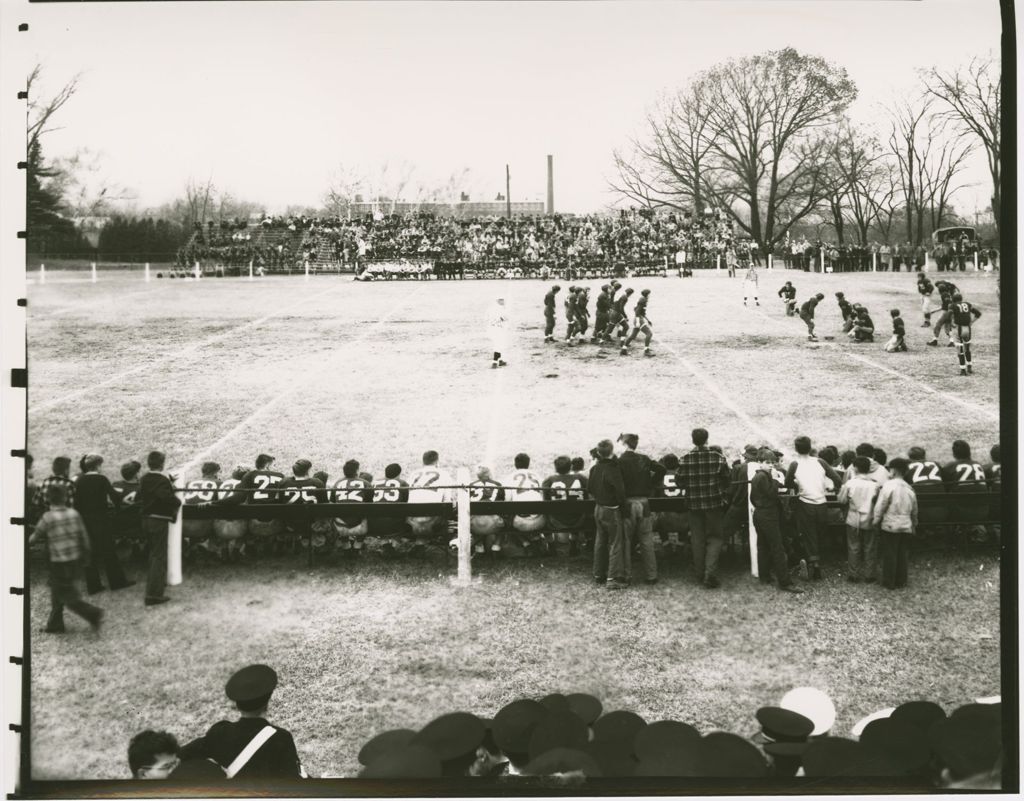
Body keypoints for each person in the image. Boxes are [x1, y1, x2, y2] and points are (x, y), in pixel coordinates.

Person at [179, 664, 305, 779]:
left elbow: (177, 755)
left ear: (237, 705)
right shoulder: (280, 738)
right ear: (267, 702)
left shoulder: (219, 732)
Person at [29, 483, 104, 633]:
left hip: (58, 562)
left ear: (48, 499)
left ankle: (93, 613)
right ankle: (55, 624)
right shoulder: (74, 514)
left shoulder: (48, 517)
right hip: (74, 559)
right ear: (65, 498)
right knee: (58, 591)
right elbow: (84, 536)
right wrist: (87, 555)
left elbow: (34, 538)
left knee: (66, 594)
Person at [676, 428, 731, 589]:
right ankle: (710, 572)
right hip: (714, 504)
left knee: (697, 539)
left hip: (693, 505)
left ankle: (700, 573)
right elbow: (727, 480)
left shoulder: (685, 459)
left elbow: (679, 482)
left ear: (693, 440)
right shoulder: (718, 458)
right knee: (715, 538)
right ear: (707, 439)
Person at [785, 436, 843, 580]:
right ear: (810, 447)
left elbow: (787, 483)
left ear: (796, 448)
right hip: (821, 503)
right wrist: (830, 487)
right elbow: (837, 479)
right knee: (819, 533)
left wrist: (797, 486)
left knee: (808, 534)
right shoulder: (820, 462)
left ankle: (813, 563)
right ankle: (816, 562)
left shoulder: (794, 464)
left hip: (805, 503)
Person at [74, 454, 134, 595]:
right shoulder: (102, 479)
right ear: (98, 466)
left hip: (85, 521)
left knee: (90, 554)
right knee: (109, 552)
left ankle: (93, 586)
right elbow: (114, 497)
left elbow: (77, 502)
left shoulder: (80, 480)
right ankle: (117, 582)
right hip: (101, 520)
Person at [750, 448, 802, 593]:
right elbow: (772, 494)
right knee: (777, 547)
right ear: (759, 463)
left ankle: (764, 576)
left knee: (763, 545)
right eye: (767, 462)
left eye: (772, 462)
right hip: (767, 514)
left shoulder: (759, 476)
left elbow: (755, 498)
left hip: (760, 513)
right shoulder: (763, 476)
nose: (771, 465)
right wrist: (774, 479)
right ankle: (785, 582)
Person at [616, 433, 665, 585]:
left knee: (626, 540)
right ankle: (651, 575)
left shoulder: (619, 461)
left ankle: (627, 575)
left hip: (628, 503)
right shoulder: (643, 459)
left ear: (624, 444)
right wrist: (649, 484)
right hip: (643, 503)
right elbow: (661, 469)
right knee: (646, 540)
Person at [138, 450, 181, 607]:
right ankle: (153, 594)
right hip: (158, 521)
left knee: (154, 554)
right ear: (162, 464)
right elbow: (165, 496)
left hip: (146, 520)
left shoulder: (143, 479)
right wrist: (176, 502)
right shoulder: (161, 480)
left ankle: (156, 584)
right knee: (158, 556)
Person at [872, 459, 918, 590]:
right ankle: (901, 580)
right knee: (902, 553)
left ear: (894, 470)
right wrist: (914, 524)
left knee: (890, 553)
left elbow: (881, 505)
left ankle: (889, 581)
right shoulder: (909, 489)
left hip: (891, 524)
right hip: (906, 524)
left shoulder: (888, 486)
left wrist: (876, 520)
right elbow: (915, 510)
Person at [588, 439, 627, 589]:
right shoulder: (613, 469)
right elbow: (621, 492)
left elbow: (590, 488)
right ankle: (612, 578)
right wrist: (623, 509)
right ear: (612, 451)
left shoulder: (595, 469)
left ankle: (598, 573)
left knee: (600, 541)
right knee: (615, 543)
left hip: (598, 508)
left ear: (598, 453)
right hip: (611, 509)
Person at [837, 456, 880, 583]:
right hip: (870, 518)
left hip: (853, 518)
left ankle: (853, 574)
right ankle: (869, 574)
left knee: (853, 546)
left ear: (855, 468)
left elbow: (842, 500)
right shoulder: (875, 485)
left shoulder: (850, 484)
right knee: (870, 547)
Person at [542, 456, 587, 555]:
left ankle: (551, 545)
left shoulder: (549, 480)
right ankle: (573, 544)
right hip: (578, 520)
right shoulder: (580, 477)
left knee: (543, 516)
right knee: (576, 509)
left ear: (555, 467)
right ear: (570, 466)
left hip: (557, 521)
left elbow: (545, 501)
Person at [503, 453, 546, 553]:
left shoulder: (510, 477)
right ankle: (535, 538)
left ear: (515, 464)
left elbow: (507, 501)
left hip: (520, 523)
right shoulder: (537, 476)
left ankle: (525, 542)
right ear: (528, 463)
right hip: (541, 522)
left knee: (507, 515)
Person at [407, 451, 453, 539]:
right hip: (432, 520)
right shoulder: (444, 474)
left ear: (423, 461)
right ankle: (422, 544)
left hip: (411, 519)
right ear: (436, 461)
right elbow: (447, 500)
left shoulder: (413, 474)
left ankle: (420, 544)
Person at [331, 459, 372, 555]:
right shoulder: (366, 483)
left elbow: (332, 501)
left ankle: (346, 546)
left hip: (340, 525)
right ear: (357, 471)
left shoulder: (337, 483)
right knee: (366, 513)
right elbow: (370, 503)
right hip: (360, 525)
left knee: (341, 513)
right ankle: (357, 546)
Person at [947, 293, 982, 376]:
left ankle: (963, 370)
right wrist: (972, 322)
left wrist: (951, 323)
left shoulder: (952, 305)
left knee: (960, 350)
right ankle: (969, 366)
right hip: (967, 329)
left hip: (958, 328)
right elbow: (978, 313)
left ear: (953, 299)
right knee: (967, 349)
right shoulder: (968, 304)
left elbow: (949, 316)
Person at [621, 289, 654, 357]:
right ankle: (646, 351)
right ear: (647, 294)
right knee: (649, 334)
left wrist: (648, 320)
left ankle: (623, 350)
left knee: (633, 336)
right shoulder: (643, 300)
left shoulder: (643, 299)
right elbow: (637, 312)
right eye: (649, 294)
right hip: (638, 320)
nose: (650, 295)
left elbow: (640, 312)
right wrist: (638, 322)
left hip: (638, 319)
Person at [487, 297, 510, 368]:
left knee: (499, 344)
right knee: (498, 345)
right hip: (498, 329)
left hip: (491, 329)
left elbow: (486, 318)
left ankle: (500, 360)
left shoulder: (490, 308)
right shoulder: (501, 309)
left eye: (503, 300)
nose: (503, 301)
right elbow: (505, 318)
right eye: (501, 300)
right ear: (498, 301)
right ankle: (494, 362)